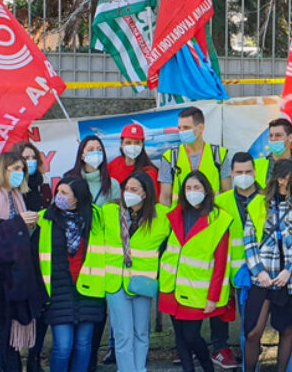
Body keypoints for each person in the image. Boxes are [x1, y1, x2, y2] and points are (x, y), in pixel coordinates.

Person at [160, 171, 240, 372]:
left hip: (197, 291)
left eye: (197, 187)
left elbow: (221, 263)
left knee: (191, 336)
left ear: (206, 190)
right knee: (180, 338)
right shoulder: (176, 214)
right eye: (188, 188)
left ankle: (208, 368)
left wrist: (213, 297)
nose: (192, 192)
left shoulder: (219, 219)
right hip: (171, 286)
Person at [242, 159, 292, 372]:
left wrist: (289, 271)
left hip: (290, 280)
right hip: (262, 278)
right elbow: (249, 241)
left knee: (287, 330)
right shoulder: (257, 203)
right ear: (282, 180)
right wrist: (259, 271)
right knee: (253, 332)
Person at [0, 151, 43, 372]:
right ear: (2, 170)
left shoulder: (18, 197)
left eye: (22, 169)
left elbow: (21, 239)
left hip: (18, 276)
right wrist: (18, 224)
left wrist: (29, 227)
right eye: (15, 169)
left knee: (12, 341)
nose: (20, 173)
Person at [102, 172, 170, 372]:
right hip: (116, 282)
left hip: (142, 283)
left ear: (145, 193)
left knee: (141, 332)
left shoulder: (161, 216)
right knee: (123, 334)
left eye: (134, 189)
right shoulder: (109, 211)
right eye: (126, 189)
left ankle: (139, 368)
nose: (128, 193)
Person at [37, 177, 107, 372]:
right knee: (63, 346)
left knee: (83, 345)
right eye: (58, 192)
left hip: (89, 291)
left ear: (77, 198)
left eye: (64, 193)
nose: (58, 196)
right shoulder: (45, 218)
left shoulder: (96, 217)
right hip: (59, 291)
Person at [216, 152, 263, 369]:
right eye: (239, 172)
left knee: (255, 328)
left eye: (248, 171)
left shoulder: (267, 199)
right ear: (231, 173)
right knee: (246, 328)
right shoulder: (220, 202)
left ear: (255, 172)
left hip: (263, 273)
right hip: (233, 276)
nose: (244, 175)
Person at [161, 107, 230, 205]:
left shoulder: (219, 154)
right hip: (181, 212)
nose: (181, 132)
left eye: (186, 128)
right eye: (179, 128)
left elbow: (227, 192)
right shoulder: (170, 156)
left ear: (200, 128)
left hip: (211, 212)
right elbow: (165, 197)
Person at [63, 136, 120, 207]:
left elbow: (115, 211)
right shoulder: (69, 180)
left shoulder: (113, 184)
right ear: (81, 155)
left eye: (99, 150)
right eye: (90, 150)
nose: (96, 153)